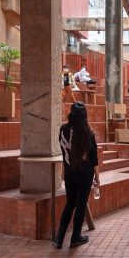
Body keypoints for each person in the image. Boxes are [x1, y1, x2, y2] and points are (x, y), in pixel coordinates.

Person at [54, 102, 100, 249]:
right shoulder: (89, 133)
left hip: (69, 173)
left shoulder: (63, 130)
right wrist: (97, 179)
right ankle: (75, 237)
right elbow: (94, 159)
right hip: (85, 174)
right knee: (80, 205)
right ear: (85, 115)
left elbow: (63, 149)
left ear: (71, 114)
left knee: (70, 203)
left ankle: (59, 238)